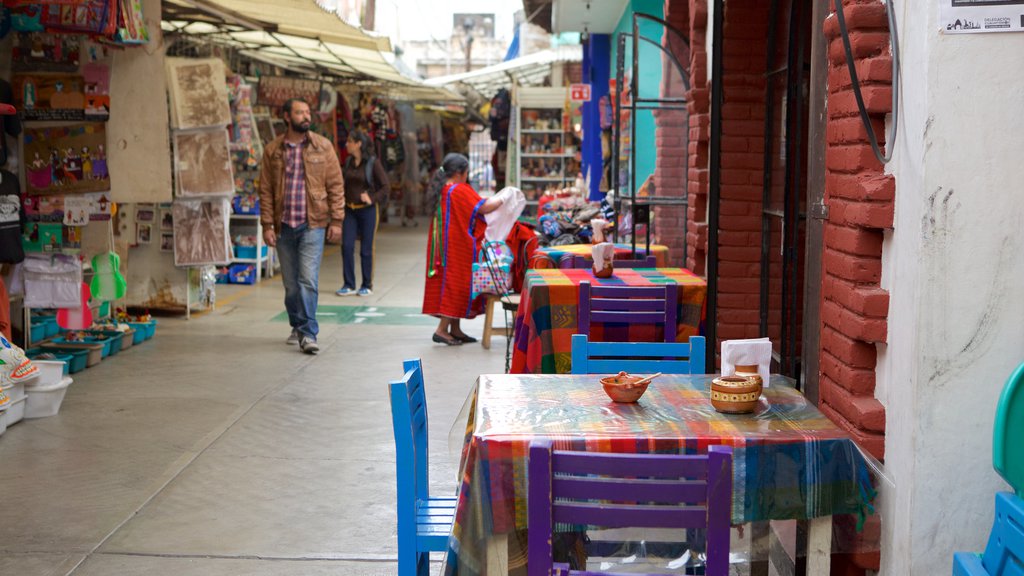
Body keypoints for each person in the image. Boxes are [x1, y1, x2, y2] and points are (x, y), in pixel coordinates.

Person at [259, 98, 344, 354]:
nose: (305, 116)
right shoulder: (273, 150)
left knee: (308, 280)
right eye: (299, 112)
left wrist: (337, 220)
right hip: (283, 225)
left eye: (307, 112)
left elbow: (336, 186)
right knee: (291, 285)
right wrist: (267, 225)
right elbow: (265, 190)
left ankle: (308, 333)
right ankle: (297, 324)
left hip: (313, 224)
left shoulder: (323, 147)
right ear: (287, 117)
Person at [422, 153, 504, 346]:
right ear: (460, 173)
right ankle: (442, 330)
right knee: (457, 285)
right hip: (456, 246)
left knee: (450, 284)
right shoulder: (459, 189)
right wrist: (505, 198)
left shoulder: (443, 189)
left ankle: (455, 330)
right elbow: (484, 208)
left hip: (443, 247)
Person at [335, 130, 389, 297]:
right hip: (350, 210)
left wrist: (372, 198)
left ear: (358, 144)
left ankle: (367, 284)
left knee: (366, 249)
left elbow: (386, 187)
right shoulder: (349, 161)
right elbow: (344, 182)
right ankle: (349, 284)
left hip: (368, 211)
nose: (346, 145)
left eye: (350, 141)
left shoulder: (373, 163)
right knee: (347, 246)